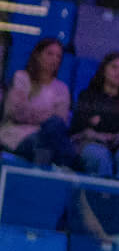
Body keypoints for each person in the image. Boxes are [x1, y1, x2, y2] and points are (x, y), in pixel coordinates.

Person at [0, 37, 74, 167]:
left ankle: (43, 171)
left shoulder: (62, 89)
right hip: (18, 135)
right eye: (50, 54)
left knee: (53, 131)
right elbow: (17, 113)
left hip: (48, 136)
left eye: (58, 56)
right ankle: (52, 171)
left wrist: (35, 112)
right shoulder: (22, 78)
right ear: (38, 55)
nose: (55, 59)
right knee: (47, 142)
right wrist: (48, 115)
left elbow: (60, 122)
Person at [70, 51, 119, 181]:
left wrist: (100, 120)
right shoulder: (87, 96)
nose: (118, 72)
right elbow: (79, 125)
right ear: (104, 70)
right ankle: (98, 194)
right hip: (90, 142)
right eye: (114, 67)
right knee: (100, 156)